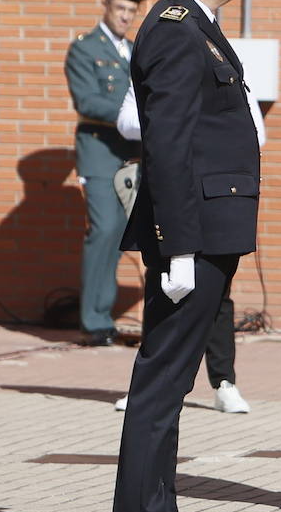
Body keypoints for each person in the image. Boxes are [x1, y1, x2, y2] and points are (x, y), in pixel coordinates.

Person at [110, 0, 264, 512]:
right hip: (191, 234)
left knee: (169, 385)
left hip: (205, 229)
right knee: (162, 383)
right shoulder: (176, 30)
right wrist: (175, 247)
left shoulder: (198, 26)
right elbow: (168, 145)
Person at [111, 77, 264, 414]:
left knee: (218, 295)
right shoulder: (163, 66)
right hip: (172, 192)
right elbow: (126, 121)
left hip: (216, 198)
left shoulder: (226, 64)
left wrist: (197, 125)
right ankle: (147, 384)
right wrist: (174, 121)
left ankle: (223, 382)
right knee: (163, 289)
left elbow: (255, 130)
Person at [66, 0, 145, 346]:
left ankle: (103, 316)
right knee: (103, 228)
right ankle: (93, 321)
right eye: (120, 8)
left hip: (130, 153)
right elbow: (87, 101)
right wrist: (136, 118)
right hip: (99, 150)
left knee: (119, 232)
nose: (125, 16)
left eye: (131, 10)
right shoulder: (85, 48)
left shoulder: (133, 50)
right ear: (106, 6)